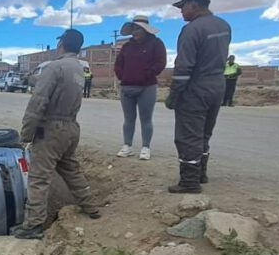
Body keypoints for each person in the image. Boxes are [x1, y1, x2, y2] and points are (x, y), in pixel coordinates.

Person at [13, 29, 101, 240]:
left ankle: (33, 225)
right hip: (71, 128)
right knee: (70, 168)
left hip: (52, 129)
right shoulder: (79, 69)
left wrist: (26, 133)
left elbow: (38, 101)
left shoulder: (56, 67)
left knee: (39, 177)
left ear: (61, 44)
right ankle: (91, 207)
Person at [165, 0, 232, 194]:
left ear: (193, 5)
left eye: (183, 7)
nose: (181, 11)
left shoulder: (192, 29)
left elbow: (184, 67)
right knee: (204, 132)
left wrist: (175, 94)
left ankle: (189, 182)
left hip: (196, 89)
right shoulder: (223, 25)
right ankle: (201, 173)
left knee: (188, 135)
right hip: (217, 86)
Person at [114, 15, 167, 161]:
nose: (135, 32)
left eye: (138, 28)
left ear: (146, 30)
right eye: (133, 29)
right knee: (128, 119)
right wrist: (122, 77)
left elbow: (160, 63)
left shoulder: (156, 44)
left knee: (146, 119)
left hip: (147, 87)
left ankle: (145, 147)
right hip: (127, 87)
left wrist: (146, 75)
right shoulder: (127, 46)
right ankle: (127, 146)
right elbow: (118, 64)